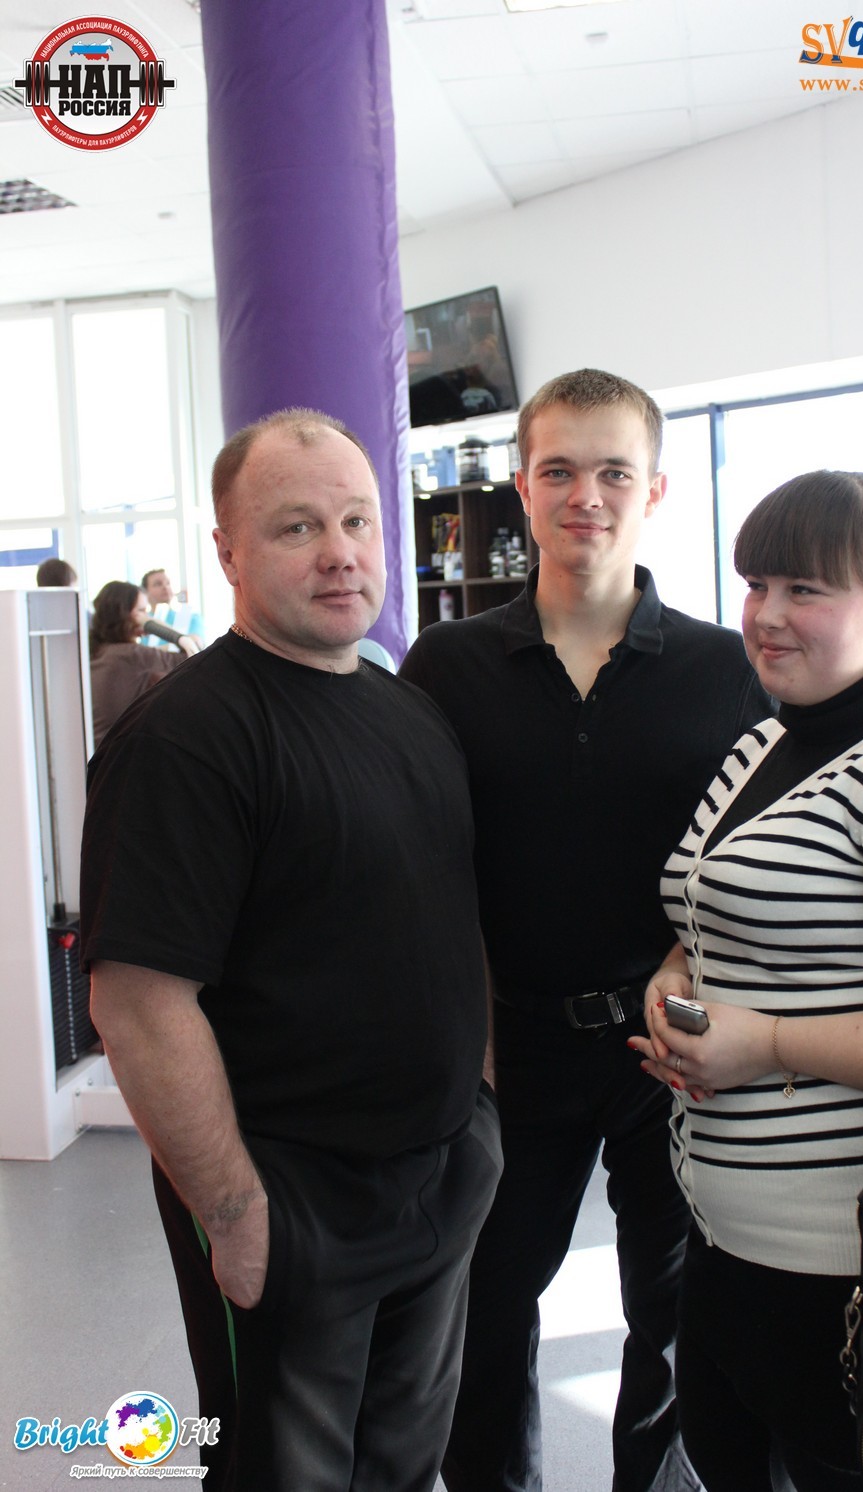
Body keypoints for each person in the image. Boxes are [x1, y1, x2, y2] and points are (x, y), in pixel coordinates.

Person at [81, 408, 502, 1491]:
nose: (340, 552)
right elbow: (138, 1004)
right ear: (228, 551)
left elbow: (446, 919)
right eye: (297, 526)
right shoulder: (186, 740)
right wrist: (233, 1215)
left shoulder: (406, 711)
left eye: (358, 520)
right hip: (291, 1201)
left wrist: (478, 1114)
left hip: (437, 1175)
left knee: (402, 1466)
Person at [400, 368, 771, 1492]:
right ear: (520, 487)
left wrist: (692, 966)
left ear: (652, 490)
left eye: (613, 471)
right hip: (513, 1047)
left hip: (672, 1048)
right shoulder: (446, 667)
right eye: (557, 470)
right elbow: (425, 868)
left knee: (673, 1321)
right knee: (485, 1311)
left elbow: (757, 863)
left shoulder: (726, 670)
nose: (585, 496)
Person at [630, 470, 863, 1492]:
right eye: (756, 584)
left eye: (804, 589)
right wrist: (676, 974)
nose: (765, 615)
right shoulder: (767, 742)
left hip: (846, 1257)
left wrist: (765, 1042)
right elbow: (712, 905)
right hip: (725, 1233)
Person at [88, 580, 200, 748]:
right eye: (141, 611)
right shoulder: (131, 654)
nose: (146, 617)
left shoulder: (100, 651)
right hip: (122, 753)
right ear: (124, 614)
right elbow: (192, 655)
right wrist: (152, 624)